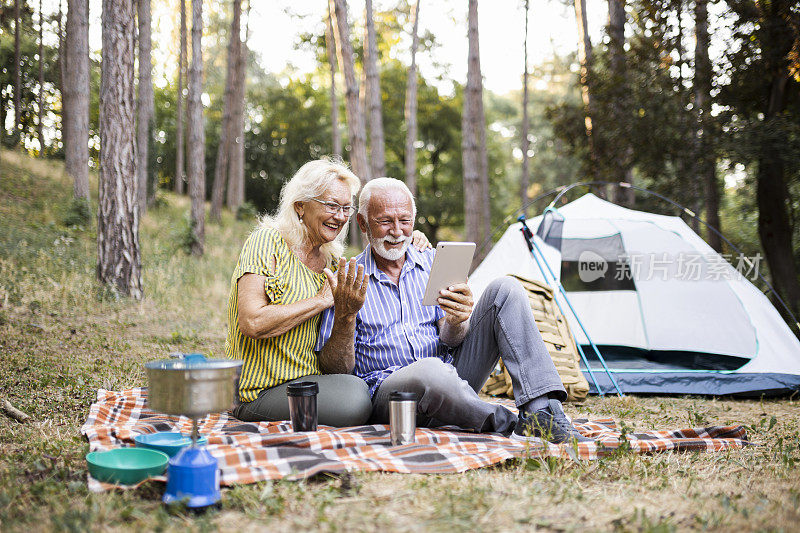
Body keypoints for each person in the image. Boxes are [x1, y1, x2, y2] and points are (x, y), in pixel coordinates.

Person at [316, 178, 591, 443]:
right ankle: (508, 423)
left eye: (405, 221)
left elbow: (451, 339)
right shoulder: (347, 279)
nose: (397, 231)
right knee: (430, 371)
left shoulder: (433, 261)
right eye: (385, 221)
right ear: (363, 223)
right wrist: (346, 315)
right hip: (392, 397)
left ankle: (541, 410)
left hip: (452, 376)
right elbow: (336, 368)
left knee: (506, 289)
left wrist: (457, 320)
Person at [225, 158, 373, 426]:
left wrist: (346, 315)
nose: (340, 216)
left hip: (308, 382)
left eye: (345, 208)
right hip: (255, 392)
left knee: (360, 387)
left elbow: (337, 365)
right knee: (356, 401)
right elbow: (252, 322)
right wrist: (320, 302)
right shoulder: (268, 242)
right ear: (300, 206)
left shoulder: (331, 263)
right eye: (331, 205)